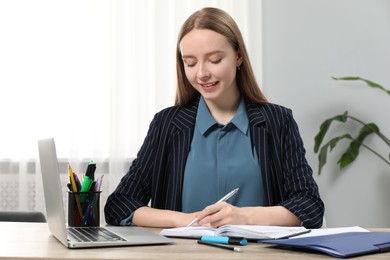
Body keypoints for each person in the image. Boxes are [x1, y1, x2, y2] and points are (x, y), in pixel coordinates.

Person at [104, 7, 324, 229]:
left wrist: (243, 218)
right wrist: (184, 220)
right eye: (190, 63)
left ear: (238, 57)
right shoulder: (166, 124)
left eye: (215, 60)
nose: (201, 74)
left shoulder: (278, 121)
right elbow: (119, 204)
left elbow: (310, 205)